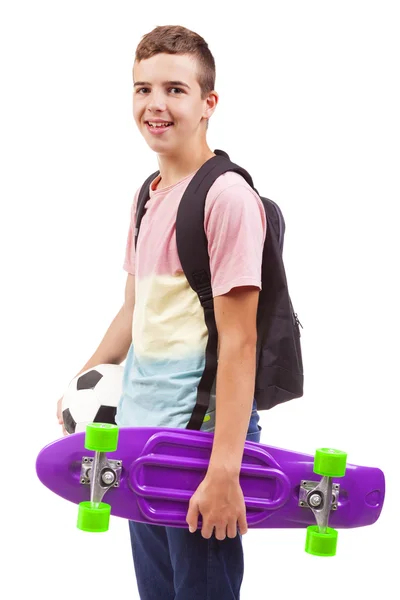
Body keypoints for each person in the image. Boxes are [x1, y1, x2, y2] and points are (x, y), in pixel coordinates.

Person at [57, 25, 267, 600]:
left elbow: (240, 342)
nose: (155, 105)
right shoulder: (147, 195)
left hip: (199, 445)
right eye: (142, 89)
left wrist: (225, 468)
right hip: (141, 436)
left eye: (175, 89)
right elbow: (134, 308)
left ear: (208, 104)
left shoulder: (226, 198)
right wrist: (82, 381)